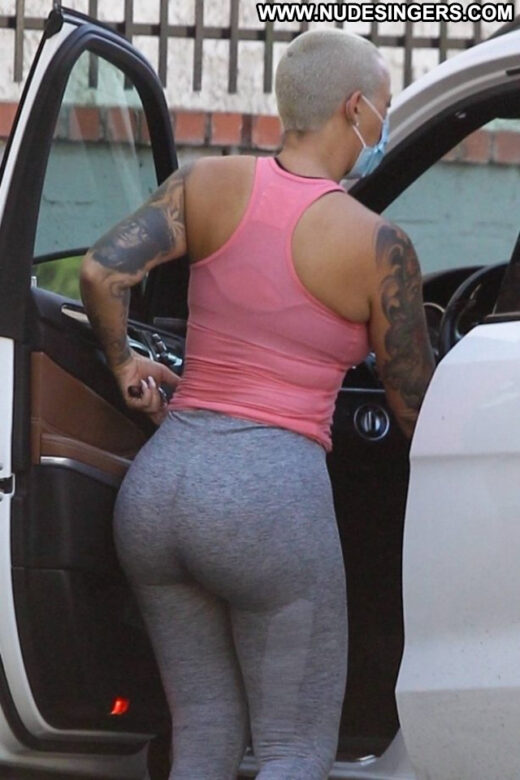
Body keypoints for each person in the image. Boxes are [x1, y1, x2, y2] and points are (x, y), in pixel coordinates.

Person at [79, 28, 435, 780]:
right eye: (385, 106)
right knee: (291, 750)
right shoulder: (378, 246)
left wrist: (123, 365)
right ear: (355, 107)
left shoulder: (205, 184)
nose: (385, 122)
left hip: (159, 491)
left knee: (204, 735)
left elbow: (101, 272)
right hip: (267, 506)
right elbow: (415, 409)